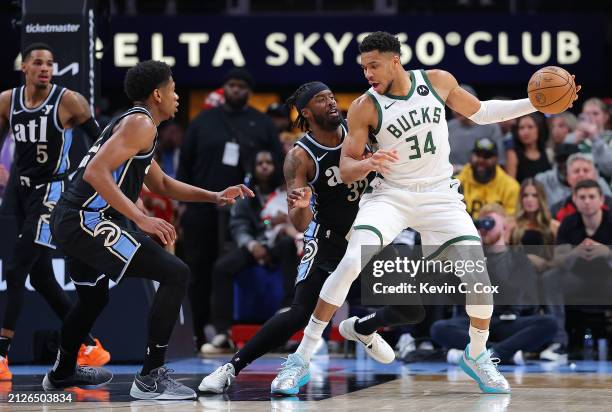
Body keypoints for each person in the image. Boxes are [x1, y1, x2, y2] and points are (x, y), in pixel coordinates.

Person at [272, 31, 580, 396]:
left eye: (374, 65)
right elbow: (348, 167)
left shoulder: (436, 81)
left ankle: (477, 355)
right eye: (364, 67)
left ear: (395, 60)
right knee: (352, 260)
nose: (368, 73)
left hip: (439, 196)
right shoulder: (364, 107)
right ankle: (301, 359)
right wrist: (369, 161)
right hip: (391, 195)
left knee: (478, 279)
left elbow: (481, 113)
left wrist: (535, 103)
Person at [41, 60, 253, 400]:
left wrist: (213, 196)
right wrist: (140, 219)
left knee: (94, 298)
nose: (177, 97)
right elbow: (96, 173)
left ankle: (62, 370)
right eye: (173, 90)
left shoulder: (138, 123)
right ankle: (150, 377)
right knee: (175, 272)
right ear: (157, 94)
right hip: (85, 219)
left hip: (73, 219)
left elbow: (162, 183)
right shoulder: (140, 123)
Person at [198, 82, 423, 394]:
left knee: (412, 309)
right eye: (322, 99)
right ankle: (230, 368)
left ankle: (361, 328)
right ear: (306, 112)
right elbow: (302, 223)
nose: (331, 102)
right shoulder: (299, 157)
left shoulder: (357, 130)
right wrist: (302, 206)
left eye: (332, 96)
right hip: (328, 237)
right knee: (299, 312)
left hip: (370, 230)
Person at [0, 42, 110, 380]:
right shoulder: (7, 100)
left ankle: (1, 357)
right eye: (38, 63)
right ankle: (91, 346)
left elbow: (102, 142)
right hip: (19, 191)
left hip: (52, 192)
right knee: (41, 277)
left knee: (17, 269)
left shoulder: (69, 101)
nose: (45, 68)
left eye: (50, 63)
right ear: (25, 68)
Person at [178, 68, 283, 351]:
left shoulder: (261, 123)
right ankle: (199, 333)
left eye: (241, 86)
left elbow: (279, 166)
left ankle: (251, 332)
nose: (236, 90)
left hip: (249, 211)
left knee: (237, 268)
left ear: (249, 91)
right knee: (198, 271)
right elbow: (184, 165)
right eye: (231, 85)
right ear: (224, 89)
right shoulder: (202, 122)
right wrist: (182, 205)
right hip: (203, 207)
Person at [431, 203, 557, 365]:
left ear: (505, 227)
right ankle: (501, 353)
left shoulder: (519, 259)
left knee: (549, 323)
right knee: (439, 328)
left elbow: (513, 296)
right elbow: (456, 295)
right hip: (474, 322)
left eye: (490, 223)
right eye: (481, 224)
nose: (484, 228)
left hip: (507, 321)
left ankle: (486, 354)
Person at [203, 150, 299, 354]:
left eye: (269, 162)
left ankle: (287, 310)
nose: (264, 166)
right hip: (252, 246)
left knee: (289, 245)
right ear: (253, 168)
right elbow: (238, 226)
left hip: (278, 244)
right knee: (221, 267)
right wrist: (252, 245)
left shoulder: (286, 191)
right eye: (260, 163)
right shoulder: (246, 195)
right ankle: (223, 333)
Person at [447, 84, 505, 173]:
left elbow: (499, 162)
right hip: (452, 182)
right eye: (452, 104)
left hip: (483, 181)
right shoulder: (447, 127)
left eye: (460, 103)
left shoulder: (491, 127)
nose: (456, 109)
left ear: (473, 103)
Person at [457, 137, 520, 217]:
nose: (481, 160)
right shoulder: (458, 182)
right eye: (478, 155)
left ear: (496, 159)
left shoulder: (510, 187)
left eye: (487, 156)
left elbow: (511, 220)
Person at [510, 178, 558, 271]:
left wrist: (544, 264)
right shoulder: (511, 224)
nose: (529, 199)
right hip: (516, 273)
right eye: (525, 195)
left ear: (541, 198)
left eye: (535, 195)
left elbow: (560, 260)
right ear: (521, 198)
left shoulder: (553, 226)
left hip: (544, 274)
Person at [550, 153, 612, 222]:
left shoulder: (610, 204)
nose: (581, 174)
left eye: (586, 170)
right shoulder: (557, 210)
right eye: (576, 171)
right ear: (568, 178)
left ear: (595, 176)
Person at [564, 98, 612, 179]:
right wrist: (572, 143)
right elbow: (562, 167)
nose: (591, 117)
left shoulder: (610, 138)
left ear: (605, 117)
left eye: (595, 113)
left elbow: (609, 169)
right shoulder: (572, 138)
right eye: (587, 114)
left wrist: (595, 138)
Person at [511, 113, 552, 182]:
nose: (525, 132)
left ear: (539, 129)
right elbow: (511, 186)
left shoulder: (548, 153)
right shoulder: (512, 154)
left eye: (530, 127)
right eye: (521, 128)